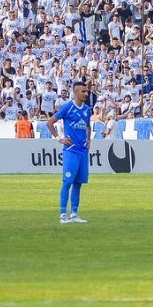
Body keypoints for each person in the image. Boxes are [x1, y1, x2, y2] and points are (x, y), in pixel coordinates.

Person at [47, 80, 92, 224]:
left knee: (78, 183)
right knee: (67, 182)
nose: (86, 93)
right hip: (71, 151)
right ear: (75, 92)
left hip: (83, 151)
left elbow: (88, 126)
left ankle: (74, 214)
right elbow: (49, 123)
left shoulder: (87, 109)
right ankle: (62, 215)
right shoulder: (67, 107)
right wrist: (60, 138)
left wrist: (89, 139)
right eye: (83, 91)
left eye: (86, 91)